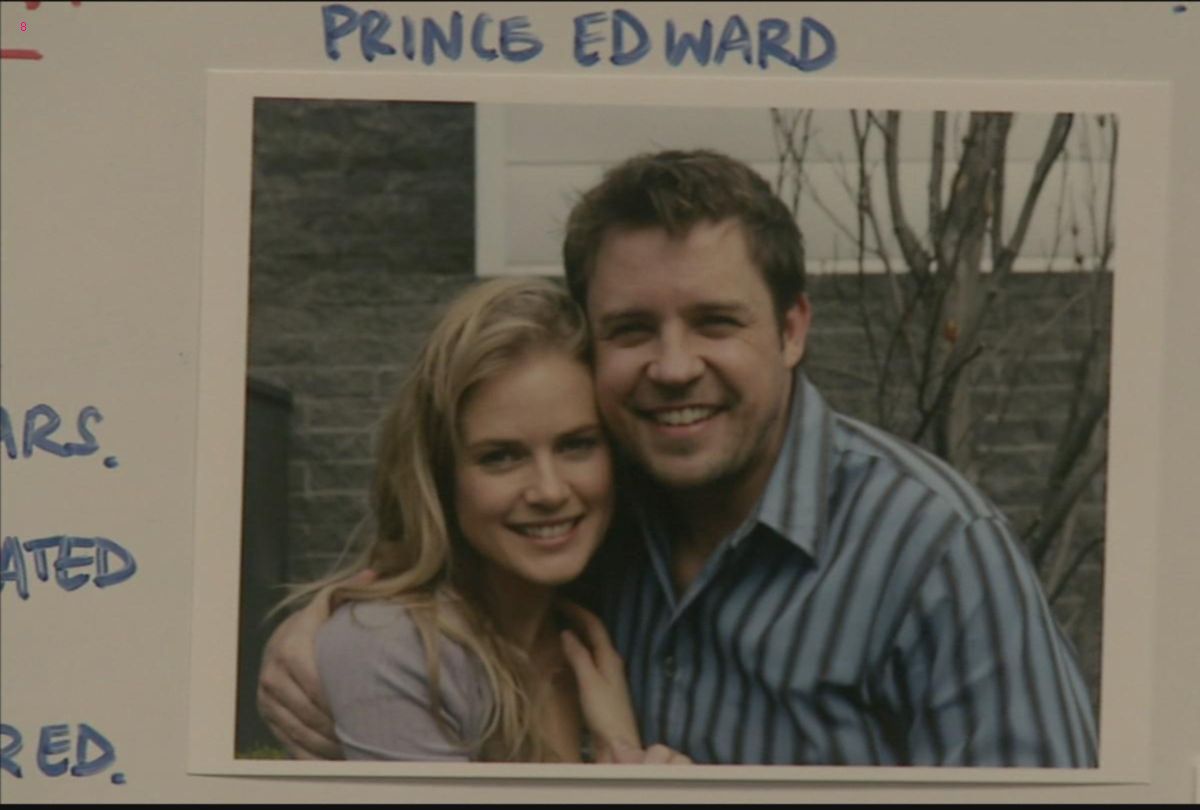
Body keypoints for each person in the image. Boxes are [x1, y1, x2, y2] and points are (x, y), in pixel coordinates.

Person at [260, 149, 1098, 767]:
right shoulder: (604, 499)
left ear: (793, 329)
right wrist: (329, 621)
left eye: (715, 322)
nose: (671, 367)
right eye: (631, 329)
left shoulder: (936, 552)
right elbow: (449, 559)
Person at [271, 277, 687, 764]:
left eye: (577, 445)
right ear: (440, 475)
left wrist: (621, 751)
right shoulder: (398, 651)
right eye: (501, 457)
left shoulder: (612, 618)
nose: (550, 491)